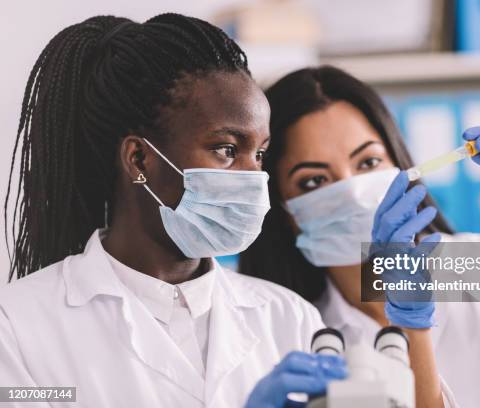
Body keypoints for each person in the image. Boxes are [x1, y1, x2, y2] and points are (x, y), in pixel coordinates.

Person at [0, 15, 349, 408]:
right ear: (140, 160)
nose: (254, 176)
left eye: (260, 154)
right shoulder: (18, 327)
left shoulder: (290, 320)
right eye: (227, 150)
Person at [239, 66, 480, 407]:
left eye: (368, 162)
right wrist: (411, 328)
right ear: (283, 210)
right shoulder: (293, 335)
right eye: (314, 181)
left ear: (401, 166)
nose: (352, 192)